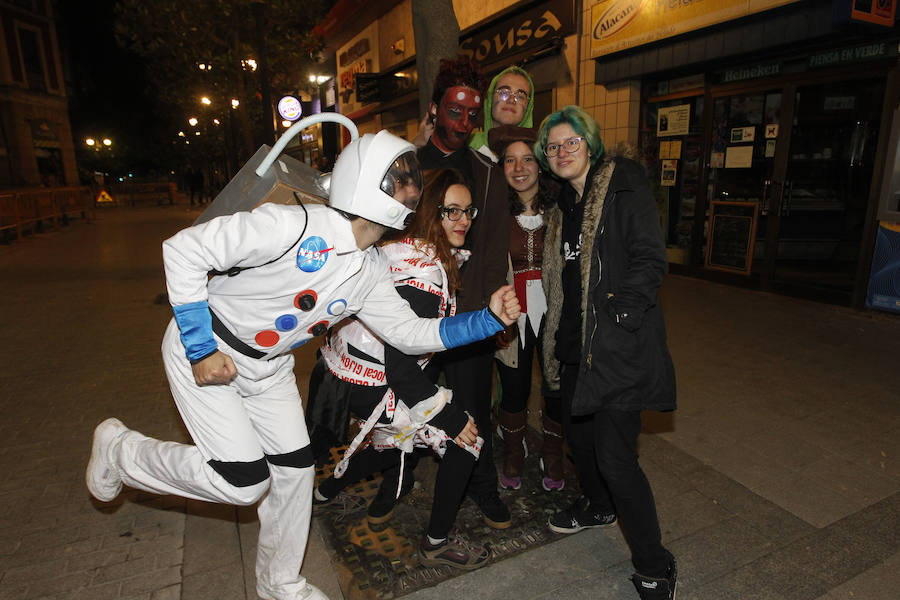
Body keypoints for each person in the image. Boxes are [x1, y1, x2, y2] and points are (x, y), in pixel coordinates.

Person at [84, 130, 521, 600]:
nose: (411, 189)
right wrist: (200, 348)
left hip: (268, 369)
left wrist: (488, 319)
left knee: (293, 475)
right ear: (365, 182)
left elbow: (410, 335)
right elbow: (184, 249)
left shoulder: (371, 266)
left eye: (410, 179)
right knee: (244, 482)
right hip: (211, 348)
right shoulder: (290, 225)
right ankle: (121, 451)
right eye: (399, 179)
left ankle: (280, 584)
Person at [311, 168, 489, 570]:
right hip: (373, 381)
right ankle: (437, 542)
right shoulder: (424, 273)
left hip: (343, 373)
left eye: (468, 212)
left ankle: (324, 495)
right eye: (452, 211)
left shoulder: (402, 247)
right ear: (431, 213)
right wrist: (448, 415)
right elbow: (401, 361)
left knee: (392, 441)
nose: (463, 220)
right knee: (466, 441)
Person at [536, 105, 678, 600]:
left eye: (571, 141)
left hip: (616, 348)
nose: (562, 151)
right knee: (581, 442)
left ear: (590, 143)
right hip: (576, 348)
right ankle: (598, 507)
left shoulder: (624, 184)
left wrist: (621, 315)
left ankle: (655, 564)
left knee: (617, 460)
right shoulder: (563, 209)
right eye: (552, 146)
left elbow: (650, 257)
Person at [416, 55, 512, 529]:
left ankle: (483, 486)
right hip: (412, 312)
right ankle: (399, 476)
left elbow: (494, 247)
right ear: (434, 109)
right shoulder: (408, 166)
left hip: (470, 313)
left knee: (475, 405)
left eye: (475, 114)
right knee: (407, 399)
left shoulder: (487, 172)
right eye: (455, 111)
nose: (466, 123)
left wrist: (492, 316)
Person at [487, 125, 563, 492]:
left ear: (540, 165)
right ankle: (514, 450)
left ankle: (553, 450)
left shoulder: (562, 209)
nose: (519, 168)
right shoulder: (495, 212)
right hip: (513, 313)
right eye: (510, 161)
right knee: (514, 387)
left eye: (528, 159)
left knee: (555, 384)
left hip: (555, 310)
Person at [469, 66, 535, 161]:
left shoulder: (537, 155)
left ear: (528, 108)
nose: (511, 100)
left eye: (520, 96)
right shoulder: (468, 145)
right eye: (504, 92)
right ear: (490, 98)